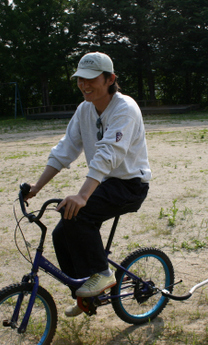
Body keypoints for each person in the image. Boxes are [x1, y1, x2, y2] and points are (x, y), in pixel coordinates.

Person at [24, 52, 152, 317]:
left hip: (130, 185)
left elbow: (109, 153)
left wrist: (82, 196)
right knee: (61, 232)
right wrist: (37, 188)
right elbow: (66, 148)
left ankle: (103, 274)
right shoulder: (85, 109)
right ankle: (85, 294)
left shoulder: (125, 108)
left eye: (91, 79)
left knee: (79, 214)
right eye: (80, 79)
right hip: (107, 183)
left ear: (110, 79)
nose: (84, 85)